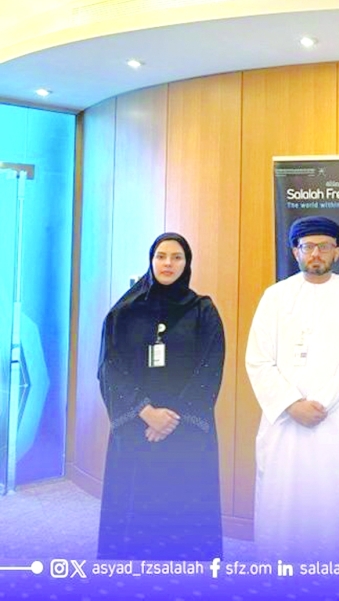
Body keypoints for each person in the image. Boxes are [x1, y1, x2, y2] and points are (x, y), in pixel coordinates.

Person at [246, 216, 339, 560]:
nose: (316, 254)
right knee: (283, 501)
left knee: (334, 503)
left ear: (338, 252)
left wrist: (322, 404)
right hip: (284, 421)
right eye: (308, 247)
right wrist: (291, 404)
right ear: (295, 251)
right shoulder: (275, 296)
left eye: (325, 246)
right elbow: (258, 359)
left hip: (336, 418)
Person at [97, 233, 224, 559]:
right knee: (135, 506)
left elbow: (210, 368)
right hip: (136, 428)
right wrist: (146, 411)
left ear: (187, 263)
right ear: (151, 261)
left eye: (177, 257)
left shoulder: (203, 311)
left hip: (187, 430)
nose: (168, 263)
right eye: (161, 256)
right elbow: (110, 367)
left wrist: (170, 417)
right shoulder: (124, 313)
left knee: (185, 505)